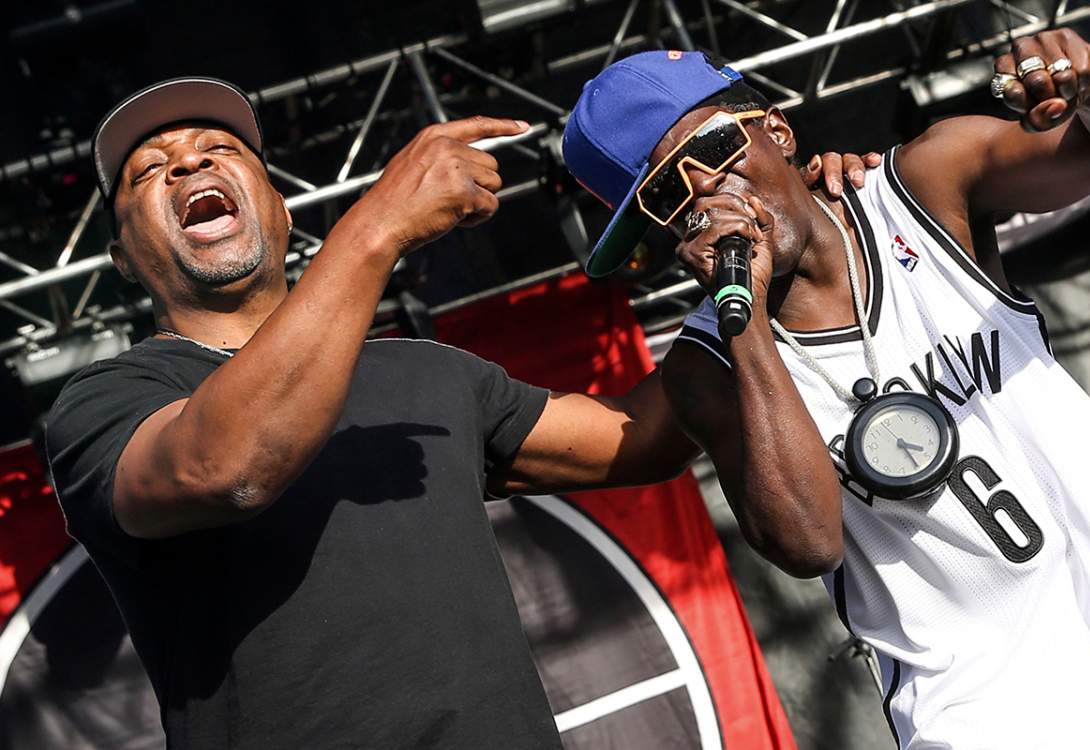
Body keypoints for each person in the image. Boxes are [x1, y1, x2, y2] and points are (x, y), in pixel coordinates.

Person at [44, 76, 867, 748]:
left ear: (281, 206)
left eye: (219, 151)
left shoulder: (424, 375)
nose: (190, 168)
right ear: (122, 256)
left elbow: (644, 438)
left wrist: (794, 247)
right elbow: (227, 468)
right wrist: (377, 227)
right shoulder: (110, 404)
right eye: (151, 171)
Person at [561, 37, 1090, 748]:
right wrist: (746, 320)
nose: (705, 193)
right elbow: (805, 543)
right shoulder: (709, 367)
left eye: (710, 152)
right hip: (988, 722)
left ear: (775, 128)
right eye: (663, 197)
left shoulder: (923, 187)